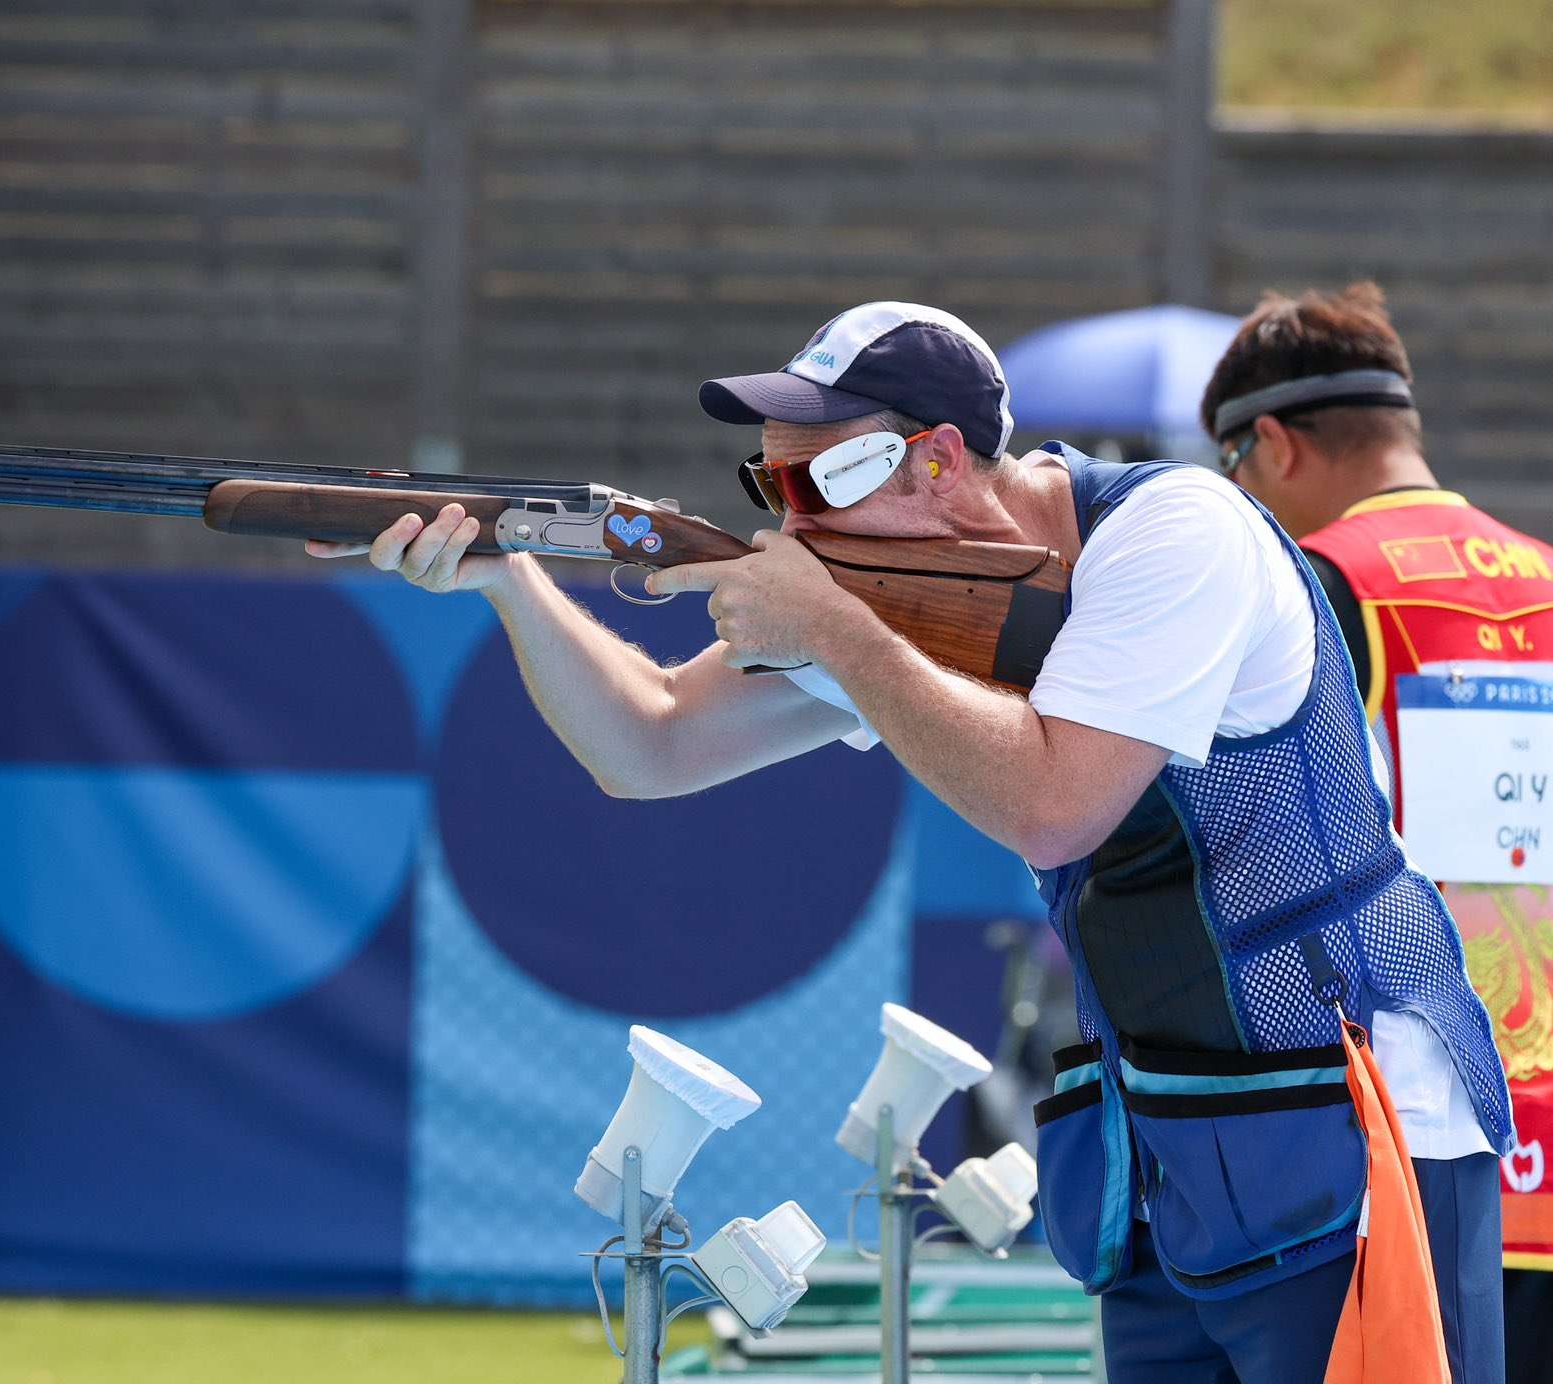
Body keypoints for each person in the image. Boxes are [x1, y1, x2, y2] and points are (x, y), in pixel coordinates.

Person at [309, 301, 1512, 1380]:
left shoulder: (1177, 530)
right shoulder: (890, 605)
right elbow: (651, 746)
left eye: (815, 485)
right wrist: (511, 582)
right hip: (1168, 1154)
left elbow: (1055, 803)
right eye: (764, 486)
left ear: (937, 460)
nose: (787, 523)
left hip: (1356, 1126)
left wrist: (835, 631)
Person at [1204, 282, 1547, 1384]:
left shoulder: (1310, 586)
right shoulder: (1544, 576)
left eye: (1231, 468)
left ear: (1270, 443)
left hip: (1429, 1154)